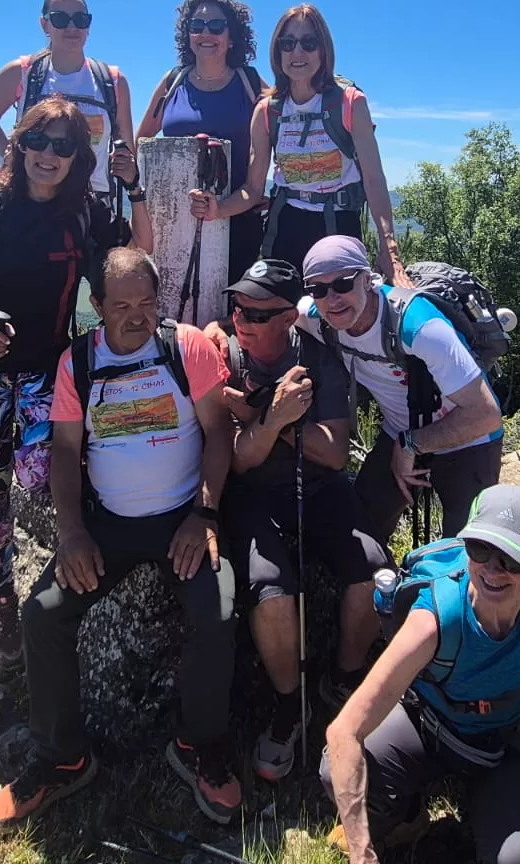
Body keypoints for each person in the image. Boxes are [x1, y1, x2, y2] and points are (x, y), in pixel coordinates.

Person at [0, 248, 241, 827]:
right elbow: (68, 450)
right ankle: (63, 758)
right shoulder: (78, 362)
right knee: (43, 615)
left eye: (147, 303)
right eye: (121, 305)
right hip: (108, 524)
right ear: (96, 306)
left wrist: (204, 515)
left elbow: (217, 433)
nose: (136, 316)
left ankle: (200, 745)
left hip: (181, 517)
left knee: (218, 609)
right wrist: (72, 533)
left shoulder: (187, 349)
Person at [0, 95, 152, 670]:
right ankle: (4, 604)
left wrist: (134, 189)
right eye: (37, 140)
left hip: (44, 371)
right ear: (19, 144)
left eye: (63, 146)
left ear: (76, 157)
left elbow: (138, 256)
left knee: (47, 471)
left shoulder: (81, 214)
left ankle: (79, 559)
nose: (48, 154)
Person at [323, 484, 520, 864]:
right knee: (334, 769)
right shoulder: (435, 621)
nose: (491, 569)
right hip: (432, 729)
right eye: (479, 549)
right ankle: (407, 818)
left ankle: (494, 812)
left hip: (508, 743)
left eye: (511, 559)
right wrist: (361, 851)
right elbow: (344, 732)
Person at [216, 258, 390, 781]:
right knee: (271, 592)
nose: (240, 319)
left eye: (256, 312)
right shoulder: (224, 354)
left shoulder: (321, 361)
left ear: (290, 316)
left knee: (372, 571)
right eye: (237, 307)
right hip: (253, 496)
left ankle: (343, 679)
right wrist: (276, 415)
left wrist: (268, 416)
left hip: (320, 488)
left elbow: (336, 454)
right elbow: (241, 458)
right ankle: (288, 705)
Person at [298, 235, 503, 546]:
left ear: (368, 280)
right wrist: (218, 328)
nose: (332, 299)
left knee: (468, 551)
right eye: (318, 289)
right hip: (401, 432)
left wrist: (411, 445)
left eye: (343, 284)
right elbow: (267, 314)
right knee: (361, 529)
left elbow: (486, 415)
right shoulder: (316, 316)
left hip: (468, 443)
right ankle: (386, 588)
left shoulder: (420, 327)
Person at [193, 3, 403, 281]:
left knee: (334, 312)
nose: (297, 52)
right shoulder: (267, 110)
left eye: (309, 42)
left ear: (323, 49)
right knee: (277, 315)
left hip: (337, 223)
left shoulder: (350, 102)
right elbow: (254, 189)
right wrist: (219, 209)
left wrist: (390, 250)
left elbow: (374, 180)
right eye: (288, 43)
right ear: (277, 51)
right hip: (284, 224)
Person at [137, 0, 265, 283]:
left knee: (226, 308)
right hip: (172, 219)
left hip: (237, 217)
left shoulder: (251, 82)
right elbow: (141, 141)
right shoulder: (173, 81)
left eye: (216, 25)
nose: (206, 33)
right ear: (188, 35)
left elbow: (288, 112)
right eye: (197, 26)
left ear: (232, 36)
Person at [0, 0, 138, 207]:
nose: (72, 27)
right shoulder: (22, 73)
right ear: (44, 24)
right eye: (61, 19)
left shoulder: (113, 81)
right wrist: (12, 158)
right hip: (32, 200)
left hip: (93, 205)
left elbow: (127, 149)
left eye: (80, 19)